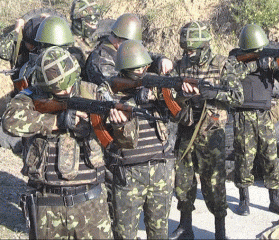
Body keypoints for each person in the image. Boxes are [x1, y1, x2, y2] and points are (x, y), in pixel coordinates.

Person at [1, 46, 113, 239]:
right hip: (46, 203)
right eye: (57, 88)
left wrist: (119, 124)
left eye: (66, 85)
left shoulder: (93, 93)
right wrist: (56, 121)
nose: (65, 91)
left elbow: (123, 141)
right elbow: (10, 121)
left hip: (90, 203)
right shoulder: (31, 96)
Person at [169, 21, 244, 240]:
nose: (188, 54)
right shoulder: (181, 65)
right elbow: (170, 94)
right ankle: (185, 226)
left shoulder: (222, 64)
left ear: (204, 46)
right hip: (186, 131)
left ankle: (220, 231)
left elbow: (238, 96)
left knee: (214, 185)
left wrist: (214, 95)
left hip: (212, 135)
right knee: (183, 181)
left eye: (191, 50)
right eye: (185, 50)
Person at [97, 39, 176, 239]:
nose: (142, 71)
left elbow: (177, 111)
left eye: (145, 67)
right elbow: (105, 109)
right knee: (125, 233)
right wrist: (134, 100)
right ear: (125, 68)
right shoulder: (108, 88)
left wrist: (178, 94)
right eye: (137, 69)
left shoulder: (154, 83)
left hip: (160, 167)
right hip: (128, 171)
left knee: (159, 232)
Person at [229, 23, 279, 217]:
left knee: (270, 157)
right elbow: (233, 73)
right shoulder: (235, 57)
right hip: (243, 115)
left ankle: (275, 200)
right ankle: (244, 199)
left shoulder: (268, 59)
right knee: (244, 157)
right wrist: (257, 63)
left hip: (264, 115)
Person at [85, 12, 173, 85]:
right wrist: (144, 84)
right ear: (120, 39)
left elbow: (144, 57)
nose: (133, 46)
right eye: (131, 43)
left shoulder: (123, 50)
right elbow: (113, 85)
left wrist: (161, 60)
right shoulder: (100, 59)